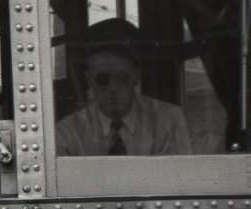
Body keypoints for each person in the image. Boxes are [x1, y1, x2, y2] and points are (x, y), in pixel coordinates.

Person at [56, 18, 192, 156]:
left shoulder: (168, 121)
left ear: (136, 76)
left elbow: (180, 175)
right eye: (102, 79)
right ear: (89, 79)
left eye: (122, 78)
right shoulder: (68, 133)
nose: (112, 88)